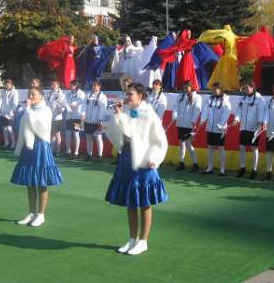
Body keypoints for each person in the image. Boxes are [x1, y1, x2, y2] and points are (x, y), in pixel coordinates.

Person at [105, 83, 168, 256]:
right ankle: (132, 238)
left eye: (130, 94)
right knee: (131, 201)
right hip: (127, 158)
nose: (127, 97)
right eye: (126, 94)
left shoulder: (149, 114)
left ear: (140, 96)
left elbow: (159, 139)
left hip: (143, 160)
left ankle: (143, 240)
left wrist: (154, 158)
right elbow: (119, 135)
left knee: (144, 201)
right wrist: (117, 116)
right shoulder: (129, 111)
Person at [11, 86, 63, 227]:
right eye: (29, 94)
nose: (30, 97)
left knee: (41, 181)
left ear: (41, 96)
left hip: (40, 147)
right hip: (29, 148)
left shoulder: (46, 110)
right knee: (30, 181)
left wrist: (27, 110)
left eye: (33, 94)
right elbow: (21, 127)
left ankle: (41, 214)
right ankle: (31, 212)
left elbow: (39, 127)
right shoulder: (29, 110)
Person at [233, 81, 265, 179]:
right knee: (242, 147)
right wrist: (236, 119)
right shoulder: (242, 98)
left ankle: (254, 170)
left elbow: (261, 111)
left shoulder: (259, 98)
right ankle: (242, 168)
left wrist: (260, 123)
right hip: (244, 127)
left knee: (254, 148)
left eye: (247, 88)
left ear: (252, 87)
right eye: (244, 88)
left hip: (254, 127)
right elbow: (239, 110)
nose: (245, 90)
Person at [199, 83, 231, 176]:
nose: (213, 91)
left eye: (215, 89)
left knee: (221, 148)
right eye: (212, 89)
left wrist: (221, 125)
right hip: (210, 127)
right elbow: (205, 110)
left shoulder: (225, 100)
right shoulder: (209, 99)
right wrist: (202, 120)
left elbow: (226, 113)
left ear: (220, 90)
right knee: (210, 147)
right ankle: (210, 167)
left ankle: (222, 169)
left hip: (220, 129)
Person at [172, 81, 202, 172]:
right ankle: (181, 162)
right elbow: (175, 107)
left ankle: (195, 164)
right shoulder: (180, 96)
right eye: (184, 87)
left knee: (188, 144)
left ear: (191, 87)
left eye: (187, 87)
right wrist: (175, 116)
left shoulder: (197, 97)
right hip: (181, 123)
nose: (185, 89)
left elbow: (197, 110)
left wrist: (193, 121)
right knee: (181, 143)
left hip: (189, 124)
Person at [82, 80, 108, 162]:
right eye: (93, 85)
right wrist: (83, 114)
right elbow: (83, 106)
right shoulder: (88, 95)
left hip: (97, 121)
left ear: (99, 86)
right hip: (87, 121)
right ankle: (89, 155)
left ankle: (99, 156)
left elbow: (103, 109)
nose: (93, 87)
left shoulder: (103, 97)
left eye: (95, 85)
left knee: (98, 138)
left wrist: (99, 120)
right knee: (88, 138)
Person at [64, 80, 85, 159]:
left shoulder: (81, 93)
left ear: (76, 85)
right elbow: (65, 102)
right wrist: (66, 105)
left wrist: (72, 104)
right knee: (68, 133)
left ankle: (76, 153)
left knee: (76, 134)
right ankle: (68, 151)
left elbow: (80, 101)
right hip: (69, 117)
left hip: (77, 117)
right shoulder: (68, 93)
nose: (70, 86)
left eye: (71, 85)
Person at [46, 80, 66, 156]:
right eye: (51, 84)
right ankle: (52, 149)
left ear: (58, 86)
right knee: (51, 134)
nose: (52, 86)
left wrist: (60, 110)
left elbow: (64, 106)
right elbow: (46, 103)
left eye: (54, 85)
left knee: (56, 134)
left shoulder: (61, 95)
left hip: (57, 117)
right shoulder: (48, 93)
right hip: (49, 117)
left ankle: (57, 150)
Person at [0, 79, 19, 150]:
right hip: (4, 113)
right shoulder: (3, 91)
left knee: (10, 128)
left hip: (10, 113)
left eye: (7, 85)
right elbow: (1, 101)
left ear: (11, 85)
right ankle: (6, 143)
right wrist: (1, 111)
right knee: (4, 128)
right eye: (5, 85)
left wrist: (11, 112)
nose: (6, 86)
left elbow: (15, 103)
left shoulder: (15, 92)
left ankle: (13, 143)